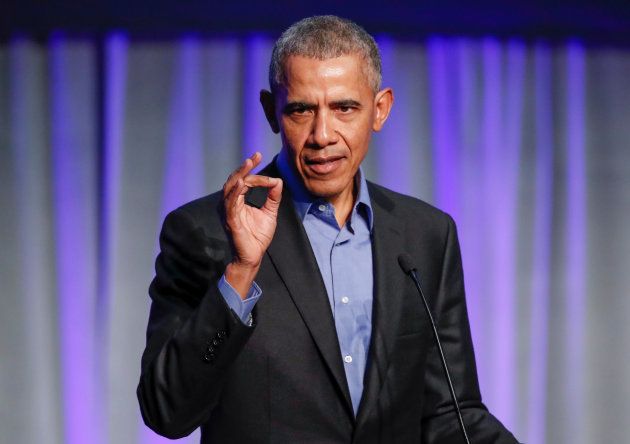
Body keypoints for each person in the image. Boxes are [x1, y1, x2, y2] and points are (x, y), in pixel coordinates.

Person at [137, 15, 519, 443]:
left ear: (380, 109)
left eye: (344, 108)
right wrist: (241, 272)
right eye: (301, 110)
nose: (323, 134)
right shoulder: (206, 233)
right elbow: (166, 411)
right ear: (271, 112)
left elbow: (451, 412)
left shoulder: (426, 236)